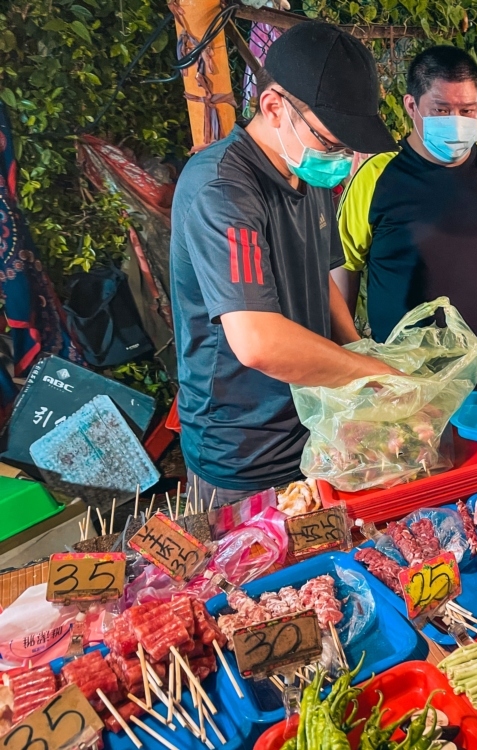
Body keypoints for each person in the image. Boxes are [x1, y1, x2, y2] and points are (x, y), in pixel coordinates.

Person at [170, 22, 399, 502]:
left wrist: (363, 355)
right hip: (244, 449)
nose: (341, 158)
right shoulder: (223, 189)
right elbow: (258, 342)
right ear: (274, 106)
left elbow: (320, 279)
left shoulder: (307, 173)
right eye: (331, 141)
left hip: (312, 427)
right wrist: (368, 374)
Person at [338, 46, 477, 396]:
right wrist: (353, 356)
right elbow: (342, 269)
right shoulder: (376, 177)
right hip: (405, 380)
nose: (456, 121)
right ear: (411, 106)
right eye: (442, 109)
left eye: (467, 110)